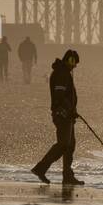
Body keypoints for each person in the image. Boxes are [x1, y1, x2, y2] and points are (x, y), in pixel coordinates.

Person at [31, 49, 82, 185]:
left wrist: (73, 110)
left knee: (70, 145)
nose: (75, 66)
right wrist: (69, 109)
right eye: (74, 62)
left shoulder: (64, 72)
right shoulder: (61, 73)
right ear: (70, 60)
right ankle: (40, 168)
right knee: (64, 144)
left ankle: (67, 176)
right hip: (62, 114)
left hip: (67, 114)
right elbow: (60, 96)